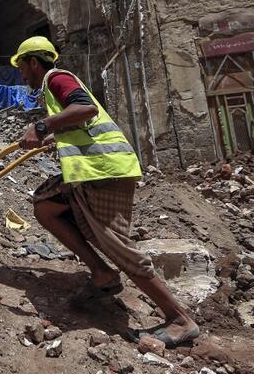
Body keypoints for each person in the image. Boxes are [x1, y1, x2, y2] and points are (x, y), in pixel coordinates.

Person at [11, 36, 199, 348]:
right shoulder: (52, 87)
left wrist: (43, 126)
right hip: (92, 174)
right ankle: (101, 274)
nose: (21, 74)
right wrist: (54, 138)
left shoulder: (56, 78)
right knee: (45, 207)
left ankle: (180, 319)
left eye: (21, 67)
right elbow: (82, 125)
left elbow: (85, 108)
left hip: (106, 172)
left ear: (33, 61)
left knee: (117, 246)